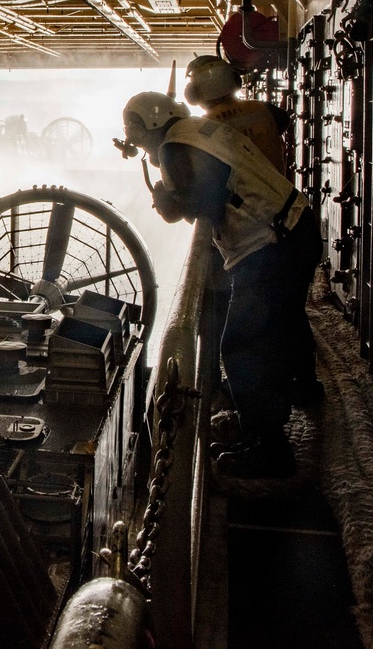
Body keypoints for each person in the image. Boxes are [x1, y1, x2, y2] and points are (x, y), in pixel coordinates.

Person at [120, 92, 322, 478]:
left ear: (146, 127)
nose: (134, 138)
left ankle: (272, 452)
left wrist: (168, 203)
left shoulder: (174, 148)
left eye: (135, 129)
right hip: (292, 228)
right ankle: (275, 417)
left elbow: (207, 205)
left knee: (242, 345)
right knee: (276, 331)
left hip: (269, 244)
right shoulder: (198, 130)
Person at [184, 55, 324, 407]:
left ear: (195, 90)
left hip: (258, 229)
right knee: (291, 312)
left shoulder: (206, 129)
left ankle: (252, 398)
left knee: (251, 323)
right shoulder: (266, 111)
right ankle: (306, 385)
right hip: (288, 214)